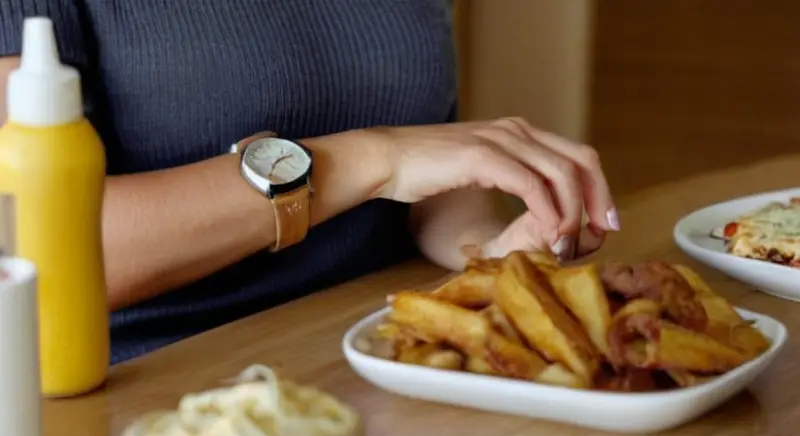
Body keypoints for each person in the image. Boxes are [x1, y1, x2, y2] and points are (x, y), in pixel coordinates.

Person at [0, 1, 619, 364]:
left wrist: (493, 254)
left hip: (384, 359)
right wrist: (370, 159)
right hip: (163, 390)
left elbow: (429, 163)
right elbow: (43, 247)